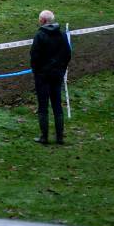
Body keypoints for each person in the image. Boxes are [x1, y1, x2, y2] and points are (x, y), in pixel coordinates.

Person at [30, 9, 71, 145]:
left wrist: (37, 72)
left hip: (43, 76)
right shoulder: (62, 35)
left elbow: (34, 56)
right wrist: (61, 69)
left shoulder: (40, 35)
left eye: (39, 19)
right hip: (57, 75)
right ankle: (60, 138)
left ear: (42, 20)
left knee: (43, 106)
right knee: (57, 105)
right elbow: (67, 54)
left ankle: (44, 137)